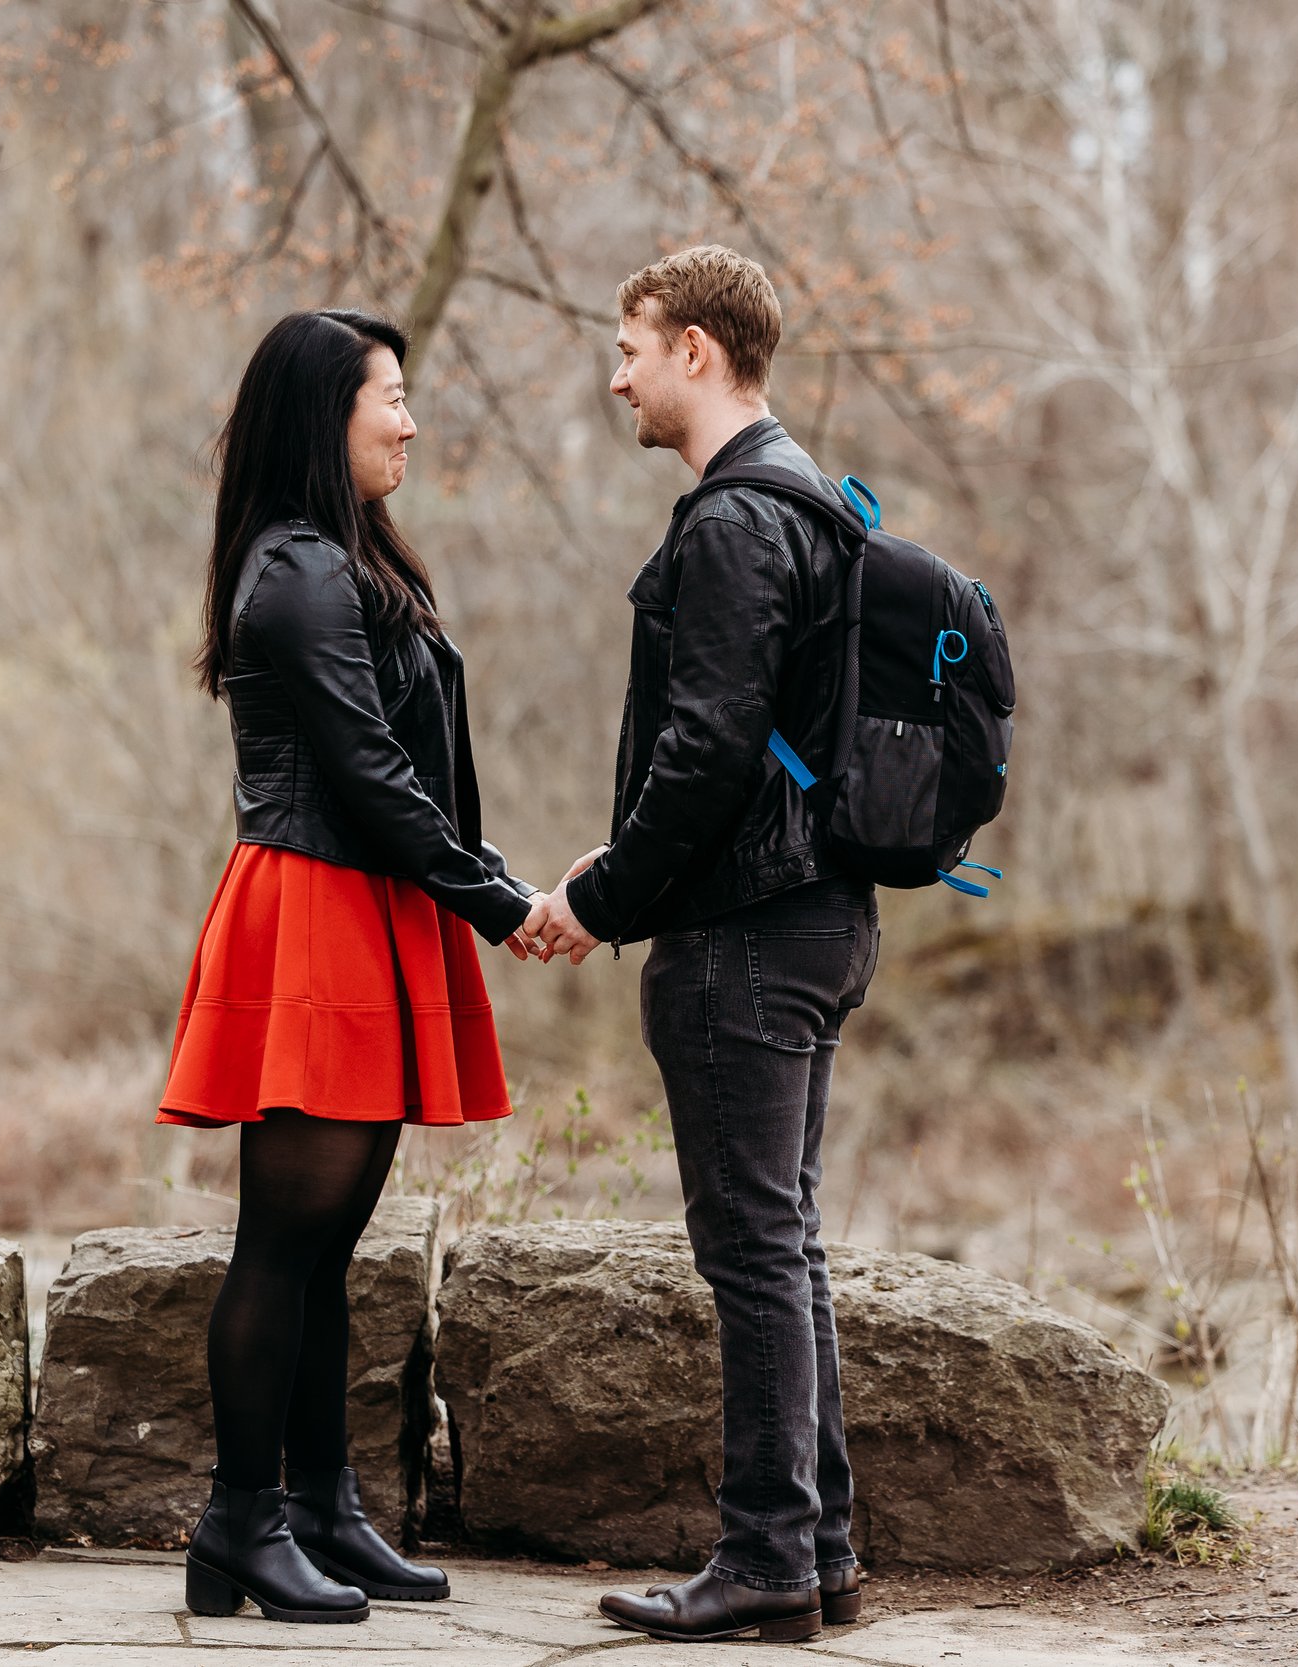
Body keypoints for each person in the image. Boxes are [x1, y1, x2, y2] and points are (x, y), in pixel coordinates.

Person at [159, 308, 552, 1626]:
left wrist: (474, 883)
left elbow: (408, 769)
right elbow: (372, 776)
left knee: (328, 1249)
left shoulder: (341, 557)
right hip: (318, 909)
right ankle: (238, 1528)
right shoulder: (300, 574)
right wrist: (501, 897)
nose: (410, 420)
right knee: (283, 1243)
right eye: (391, 396)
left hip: (366, 904)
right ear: (325, 413)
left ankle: (321, 1510)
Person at [535, 247, 880, 1644]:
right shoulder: (808, 502)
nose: (614, 374)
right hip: (817, 920)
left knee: (751, 1253)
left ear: (695, 350)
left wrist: (601, 896)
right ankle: (819, 1556)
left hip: (744, 934)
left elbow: (709, 750)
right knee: (783, 1248)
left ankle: (763, 1563)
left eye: (630, 345)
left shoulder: (740, 521)